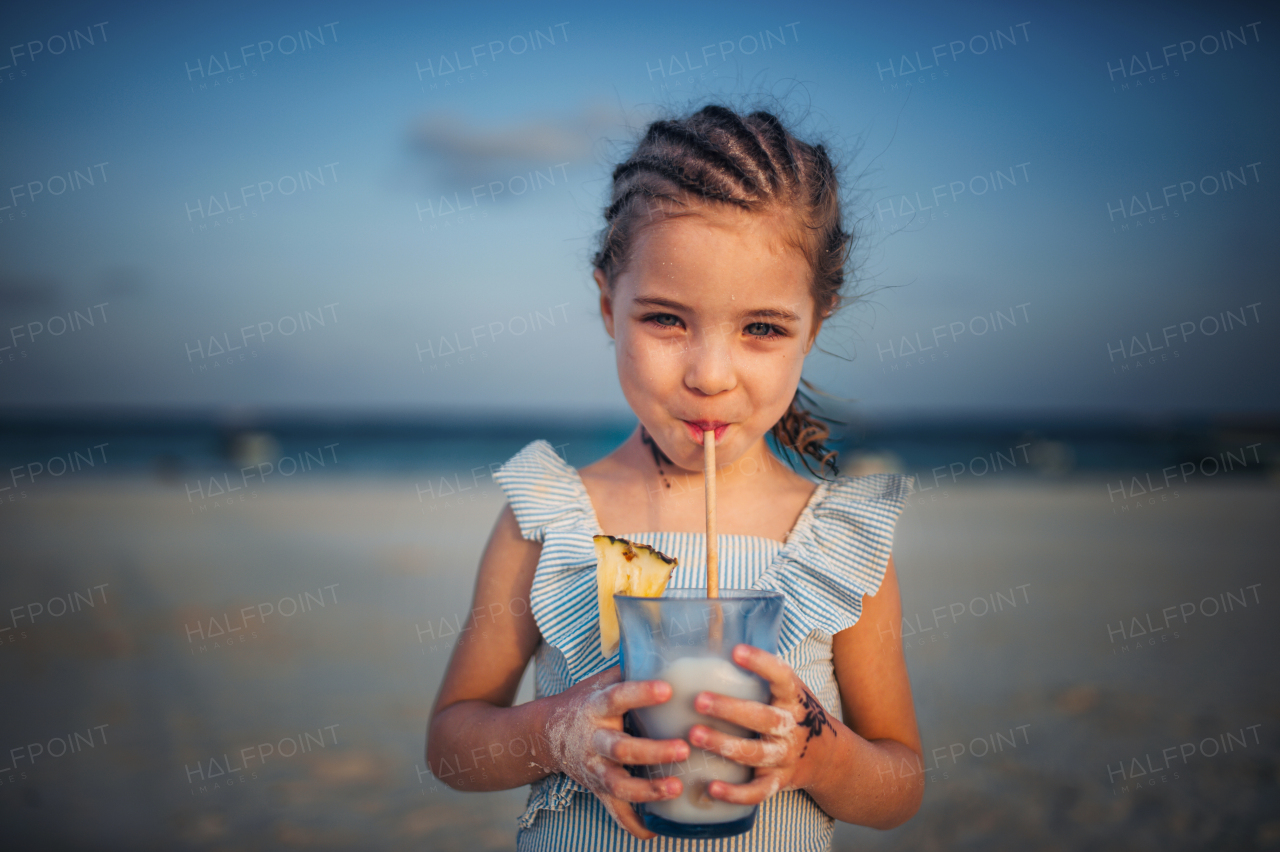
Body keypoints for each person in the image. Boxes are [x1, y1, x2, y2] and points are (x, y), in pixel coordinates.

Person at [427, 103, 922, 851]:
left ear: (814, 326)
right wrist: (554, 734)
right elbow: (452, 744)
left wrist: (818, 750)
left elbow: (899, 786)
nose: (710, 376)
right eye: (666, 320)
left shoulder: (838, 542)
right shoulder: (553, 518)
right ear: (608, 306)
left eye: (762, 328)